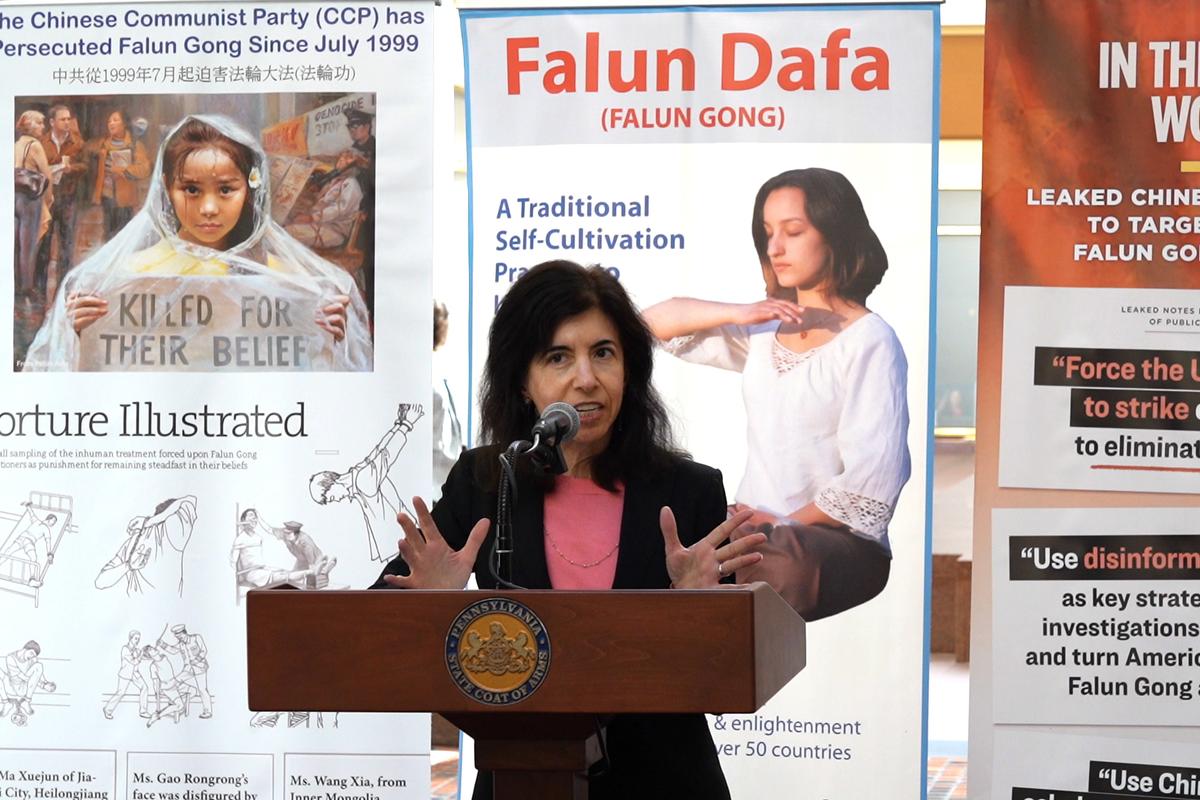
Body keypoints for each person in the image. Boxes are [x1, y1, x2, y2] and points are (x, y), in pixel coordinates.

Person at [371, 260, 766, 800]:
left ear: (629, 369)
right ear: (522, 381)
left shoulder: (688, 490)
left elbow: (727, 688)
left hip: (665, 782)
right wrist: (434, 610)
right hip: (520, 780)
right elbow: (374, 627)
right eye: (558, 357)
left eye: (603, 353)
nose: (586, 378)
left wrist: (699, 614)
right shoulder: (488, 480)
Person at [642, 167, 911, 620]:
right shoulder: (764, 331)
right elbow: (649, 324)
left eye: (793, 231)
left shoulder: (871, 340)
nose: (775, 248)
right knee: (660, 539)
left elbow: (872, 482)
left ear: (835, 233)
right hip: (753, 533)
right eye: (767, 233)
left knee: (774, 561)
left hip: (828, 544)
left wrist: (776, 522)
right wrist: (742, 311)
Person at [22, 114, 372, 372]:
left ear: (250, 190)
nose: (208, 208)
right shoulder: (123, 279)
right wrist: (77, 335)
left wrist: (329, 338)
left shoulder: (288, 282)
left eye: (226, 189)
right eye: (191, 189)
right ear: (167, 188)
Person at [309, 403, 423, 562]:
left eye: (330, 497)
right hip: (400, 543)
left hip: (400, 546)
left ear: (332, 483)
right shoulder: (358, 476)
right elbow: (380, 450)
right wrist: (400, 424)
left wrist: (405, 424)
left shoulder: (362, 481)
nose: (336, 500)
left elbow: (386, 455)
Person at [35, 104, 87, 295]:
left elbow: (85, 166)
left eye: (68, 119)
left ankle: (63, 290)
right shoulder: (41, 142)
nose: (67, 122)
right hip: (46, 200)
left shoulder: (77, 142)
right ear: (52, 122)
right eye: (62, 119)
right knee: (43, 246)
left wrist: (71, 169)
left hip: (68, 199)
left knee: (66, 246)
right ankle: (39, 291)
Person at [87, 109, 150, 239]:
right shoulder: (103, 144)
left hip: (125, 198)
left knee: (124, 236)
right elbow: (87, 147)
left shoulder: (135, 145)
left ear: (124, 124)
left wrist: (123, 171)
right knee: (108, 235)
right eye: (109, 121)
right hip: (107, 196)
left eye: (115, 120)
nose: (111, 123)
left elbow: (144, 169)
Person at [14, 110, 54, 299]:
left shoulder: (16, 144)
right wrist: (49, 199)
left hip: (15, 196)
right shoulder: (35, 145)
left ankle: (17, 284)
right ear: (30, 125)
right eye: (39, 123)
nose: (43, 127)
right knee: (29, 245)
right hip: (31, 199)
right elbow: (47, 175)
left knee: (15, 243)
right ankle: (27, 287)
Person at [0, 641, 56, 722]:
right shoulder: (11, 658)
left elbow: (38, 673)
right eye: (31, 653)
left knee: (39, 665)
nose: (32, 656)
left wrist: (45, 683)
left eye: (34, 655)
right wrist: (41, 685)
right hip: (12, 686)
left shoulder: (33, 658)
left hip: (24, 688)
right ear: (25, 648)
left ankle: (26, 701)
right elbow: (22, 677)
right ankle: (6, 703)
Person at [102, 630, 150, 720]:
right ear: (130, 638)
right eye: (136, 638)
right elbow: (134, 661)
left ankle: (143, 711)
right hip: (126, 674)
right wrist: (140, 655)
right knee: (121, 693)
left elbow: (143, 657)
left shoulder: (137, 650)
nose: (137, 641)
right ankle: (107, 709)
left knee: (145, 687)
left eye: (138, 639)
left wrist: (149, 653)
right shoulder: (125, 649)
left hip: (135, 674)